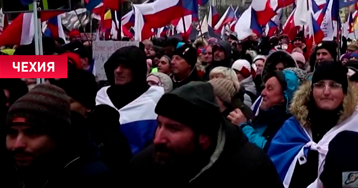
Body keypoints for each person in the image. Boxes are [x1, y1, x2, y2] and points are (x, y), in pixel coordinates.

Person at [128, 82, 283, 187]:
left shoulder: (252, 169)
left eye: (173, 128)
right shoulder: (145, 165)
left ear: (204, 136)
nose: (158, 139)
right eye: (159, 125)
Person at [267, 62, 358, 188]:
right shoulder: (294, 126)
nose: (326, 92)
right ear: (311, 91)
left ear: (344, 92)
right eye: (319, 85)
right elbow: (273, 168)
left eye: (334, 85)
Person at [0, 84, 111, 188]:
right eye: (12, 133)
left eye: (32, 133)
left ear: (59, 135)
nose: (17, 144)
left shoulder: (91, 179)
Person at [96, 46, 164, 155]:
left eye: (125, 66)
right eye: (115, 66)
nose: (118, 71)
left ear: (137, 70)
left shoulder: (158, 99)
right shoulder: (99, 96)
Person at [228, 70, 303, 150]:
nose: (262, 93)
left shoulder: (289, 125)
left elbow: (269, 149)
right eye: (264, 87)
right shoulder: (265, 116)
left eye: (270, 88)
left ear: (284, 96)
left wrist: (243, 126)